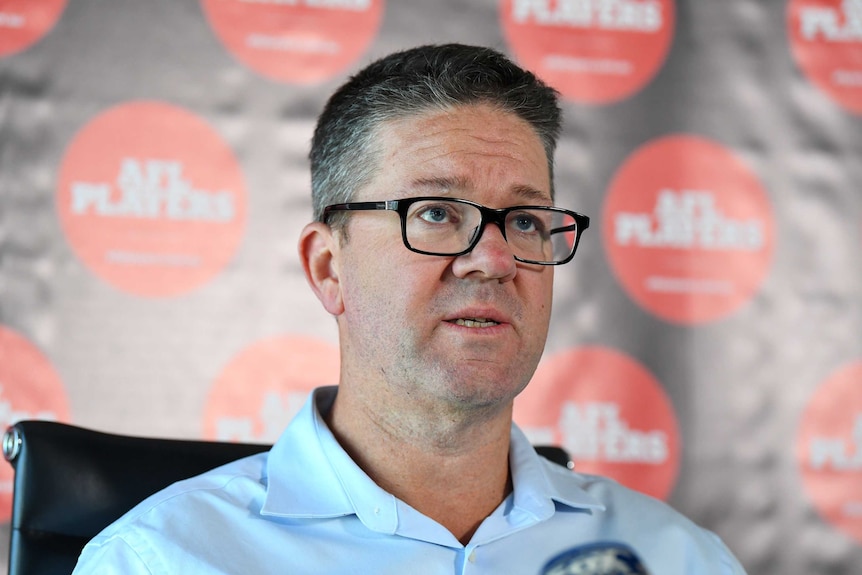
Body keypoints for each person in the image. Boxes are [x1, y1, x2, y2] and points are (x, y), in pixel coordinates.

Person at [72, 43, 747, 574]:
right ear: (327, 266)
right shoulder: (161, 559)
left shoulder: (675, 558)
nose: (496, 259)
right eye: (435, 213)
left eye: (525, 221)